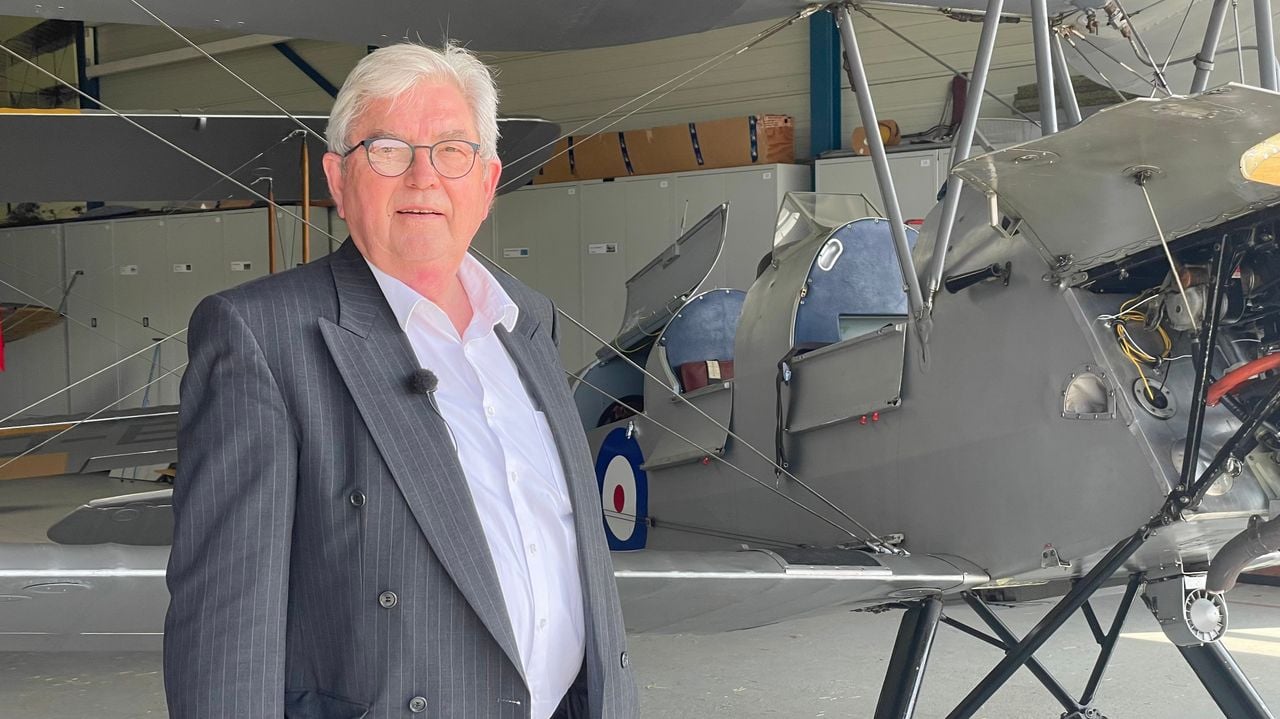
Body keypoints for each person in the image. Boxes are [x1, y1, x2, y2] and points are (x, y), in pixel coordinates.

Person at [164, 42, 638, 719]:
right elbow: (224, 633)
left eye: (452, 150)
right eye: (387, 148)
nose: (423, 178)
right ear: (337, 177)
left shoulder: (529, 320)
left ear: (487, 178)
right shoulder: (260, 337)